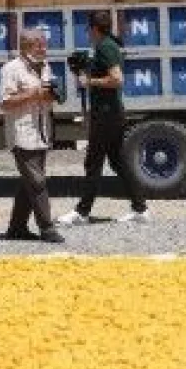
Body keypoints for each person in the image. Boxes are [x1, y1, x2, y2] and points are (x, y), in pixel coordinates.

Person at [58, 13, 148, 225]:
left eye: (88, 29)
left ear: (94, 29)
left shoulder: (106, 47)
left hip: (107, 115)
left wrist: (89, 81)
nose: (87, 33)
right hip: (110, 113)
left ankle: (82, 212)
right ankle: (140, 209)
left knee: (93, 162)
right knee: (118, 162)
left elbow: (117, 79)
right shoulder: (108, 45)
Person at [0, 30, 65, 243]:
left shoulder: (45, 67)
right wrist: (33, 93)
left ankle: (16, 228)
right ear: (27, 46)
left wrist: (52, 95)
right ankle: (47, 228)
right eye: (40, 45)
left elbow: (45, 97)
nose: (45, 49)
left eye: (45, 45)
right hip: (22, 134)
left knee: (29, 182)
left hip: (41, 132)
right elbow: (4, 102)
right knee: (37, 182)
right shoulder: (11, 69)